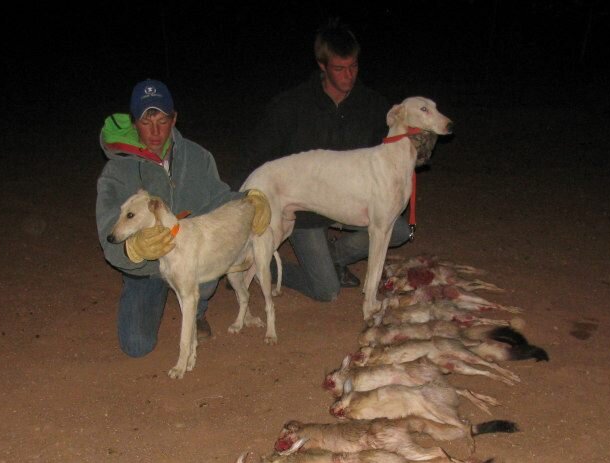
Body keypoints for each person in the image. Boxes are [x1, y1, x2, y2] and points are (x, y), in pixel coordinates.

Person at [242, 20, 412, 301]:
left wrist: (415, 145)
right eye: (340, 69)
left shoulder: (372, 105)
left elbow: (391, 155)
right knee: (326, 290)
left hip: (350, 203)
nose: (349, 75)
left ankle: (334, 255)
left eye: (354, 66)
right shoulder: (290, 106)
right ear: (322, 66)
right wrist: (240, 202)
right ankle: (263, 263)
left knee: (399, 229)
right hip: (306, 212)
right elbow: (256, 156)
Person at [96, 79, 240, 357]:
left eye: (162, 121)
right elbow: (108, 233)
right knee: (136, 345)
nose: (155, 132)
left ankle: (195, 309)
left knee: (210, 259)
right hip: (147, 268)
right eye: (146, 122)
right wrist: (133, 251)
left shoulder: (197, 156)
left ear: (174, 119)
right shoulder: (116, 171)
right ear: (134, 122)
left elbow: (219, 198)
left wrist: (248, 200)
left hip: (189, 256)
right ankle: (154, 291)